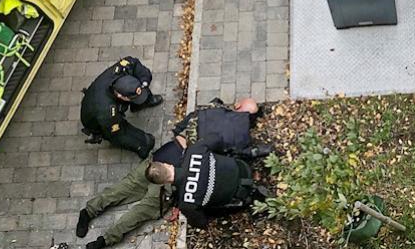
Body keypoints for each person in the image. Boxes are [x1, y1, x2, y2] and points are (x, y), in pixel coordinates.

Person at [75, 99, 269, 249]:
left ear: (239, 107)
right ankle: (90, 214)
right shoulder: (223, 122)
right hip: (164, 170)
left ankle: (103, 237)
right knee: (124, 193)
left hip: (165, 167)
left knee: (136, 211)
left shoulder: (214, 112)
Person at [80, 56, 163, 158]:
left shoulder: (123, 70)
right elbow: (119, 135)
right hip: (97, 120)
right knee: (124, 133)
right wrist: (141, 142)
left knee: (138, 90)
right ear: (120, 96)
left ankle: (141, 104)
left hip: (105, 98)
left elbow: (135, 64)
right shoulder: (108, 113)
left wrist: (144, 82)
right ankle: (143, 145)